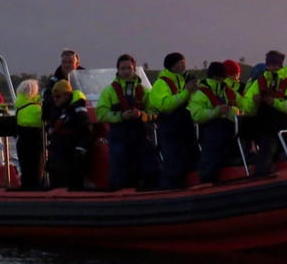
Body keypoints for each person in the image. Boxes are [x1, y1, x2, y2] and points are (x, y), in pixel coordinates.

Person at [96, 54, 160, 190]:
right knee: (119, 170)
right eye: (123, 68)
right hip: (119, 136)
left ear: (134, 69)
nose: (126, 71)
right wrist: (121, 116)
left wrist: (141, 115)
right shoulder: (109, 91)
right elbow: (101, 114)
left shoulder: (144, 91)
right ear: (118, 70)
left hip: (141, 135)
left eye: (129, 68)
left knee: (148, 167)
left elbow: (155, 112)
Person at [243, 50, 287, 177]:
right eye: (269, 64)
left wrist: (275, 103)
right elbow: (247, 107)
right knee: (267, 148)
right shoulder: (259, 83)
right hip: (266, 129)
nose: (272, 67)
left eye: (274, 64)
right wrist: (255, 101)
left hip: (286, 128)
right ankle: (259, 179)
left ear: (280, 65)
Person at [149, 52, 199, 189]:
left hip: (186, 127)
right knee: (173, 163)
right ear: (172, 65)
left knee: (190, 159)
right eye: (180, 62)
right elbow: (165, 105)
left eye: (184, 62)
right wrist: (186, 92)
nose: (183, 65)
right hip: (170, 128)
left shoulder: (185, 81)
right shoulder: (161, 84)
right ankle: (170, 191)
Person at [190, 61, 243, 183]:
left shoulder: (228, 91)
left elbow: (245, 105)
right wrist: (217, 111)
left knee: (233, 153)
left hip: (230, 129)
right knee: (211, 156)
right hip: (211, 129)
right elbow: (197, 115)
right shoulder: (201, 93)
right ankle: (206, 181)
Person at [46, 79, 92, 189]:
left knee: (71, 184)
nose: (55, 100)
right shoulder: (59, 111)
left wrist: (80, 149)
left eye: (58, 97)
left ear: (67, 96)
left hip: (70, 157)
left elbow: (86, 131)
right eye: (53, 97)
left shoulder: (78, 111)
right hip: (57, 157)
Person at [14, 79, 43, 190]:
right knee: (36, 169)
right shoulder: (36, 108)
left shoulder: (19, 106)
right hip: (35, 141)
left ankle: (25, 187)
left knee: (25, 168)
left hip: (22, 141)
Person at [42, 49, 84, 122]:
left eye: (70, 62)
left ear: (77, 64)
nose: (67, 65)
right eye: (64, 62)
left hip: (82, 118)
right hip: (61, 120)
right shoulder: (53, 82)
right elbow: (47, 99)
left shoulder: (85, 79)